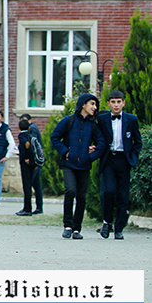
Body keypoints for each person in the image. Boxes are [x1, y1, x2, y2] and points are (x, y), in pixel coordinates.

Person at [50, 92, 105, 240]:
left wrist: (90, 157)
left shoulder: (93, 126)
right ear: (83, 104)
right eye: (92, 104)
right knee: (70, 190)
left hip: (84, 165)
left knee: (81, 197)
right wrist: (65, 152)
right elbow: (55, 137)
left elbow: (101, 145)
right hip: (69, 164)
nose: (94, 107)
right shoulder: (69, 121)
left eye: (95, 105)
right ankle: (67, 226)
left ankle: (76, 228)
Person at [97, 90, 142, 240]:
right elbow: (97, 137)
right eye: (113, 102)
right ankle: (106, 221)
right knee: (108, 191)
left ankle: (119, 227)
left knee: (123, 195)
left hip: (124, 160)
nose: (116, 105)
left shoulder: (132, 119)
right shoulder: (102, 119)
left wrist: (132, 157)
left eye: (119, 102)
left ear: (123, 103)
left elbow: (138, 142)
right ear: (108, 104)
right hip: (109, 159)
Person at [0, 110, 16, 207]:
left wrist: (6, 157)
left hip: (0, 158)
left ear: (2, 118)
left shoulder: (6, 130)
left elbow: (12, 144)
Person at [20, 113, 43, 214]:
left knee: (31, 184)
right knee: (35, 184)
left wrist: (28, 158)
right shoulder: (33, 129)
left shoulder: (30, 131)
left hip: (31, 161)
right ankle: (38, 207)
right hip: (35, 160)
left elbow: (28, 146)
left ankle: (30, 208)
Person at [16, 119, 35, 216]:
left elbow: (26, 145)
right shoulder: (31, 134)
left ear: (18, 128)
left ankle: (27, 208)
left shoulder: (22, 135)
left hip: (25, 163)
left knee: (26, 186)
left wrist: (27, 157)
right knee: (29, 185)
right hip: (32, 163)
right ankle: (27, 207)